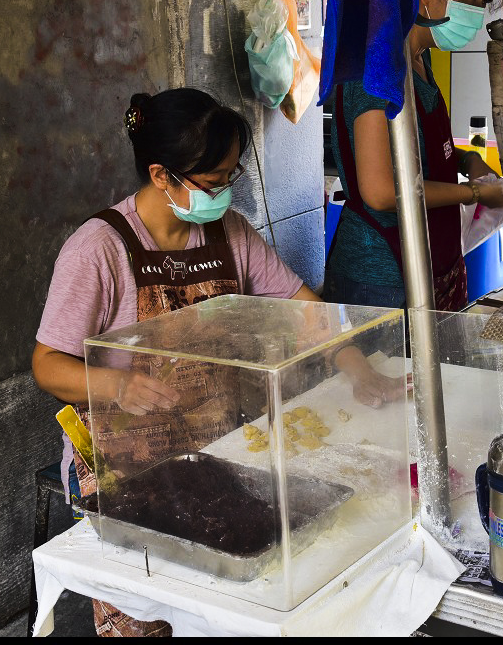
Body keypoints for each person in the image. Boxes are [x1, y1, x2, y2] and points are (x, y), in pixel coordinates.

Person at [32, 87, 399, 637]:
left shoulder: (229, 234)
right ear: (161, 175)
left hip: (218, 448)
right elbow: (46, 364)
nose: (226, 191)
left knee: (235, 605)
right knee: (152, 613)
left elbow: (302, 308)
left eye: (232, 176)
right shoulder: (99, 249)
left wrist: (355, 362)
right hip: (129, 465)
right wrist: (116, 385)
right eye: (213, 182)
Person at [324, 0, 503, 311]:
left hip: (430, 256)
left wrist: (467, 162)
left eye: (483, 0)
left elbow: (420, 151)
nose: (477, 11)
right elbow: (380, 192)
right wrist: (476, 193)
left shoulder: (420, 60)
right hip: (381, 276)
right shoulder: (378, 72)